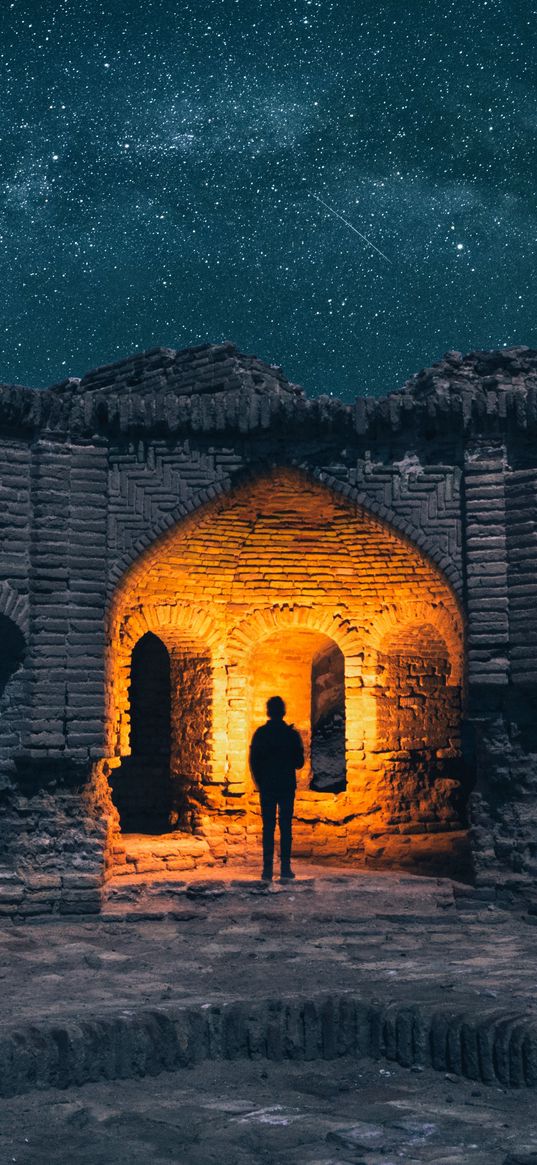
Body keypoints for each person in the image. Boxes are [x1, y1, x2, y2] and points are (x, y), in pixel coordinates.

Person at [249, 696, 305, 882]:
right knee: (286, 827)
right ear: (283, 712)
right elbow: (299, 763)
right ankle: (285, 868)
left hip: (268, 786)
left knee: (268, 828)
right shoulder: (291, 735)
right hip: (286, 785)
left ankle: (267, 871)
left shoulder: (261, 733)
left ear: (268, 712)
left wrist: (260, 782)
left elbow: (254, 761)